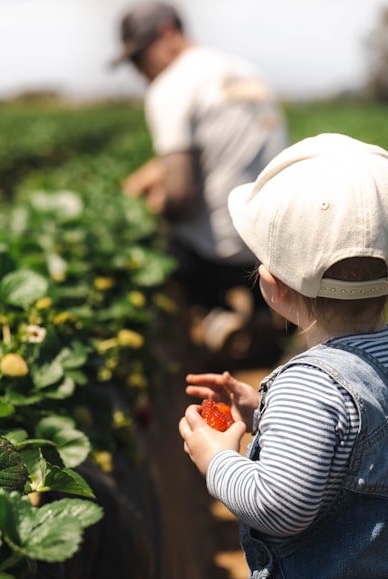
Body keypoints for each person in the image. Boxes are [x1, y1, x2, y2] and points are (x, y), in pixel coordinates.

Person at [178, 133, 388, 579]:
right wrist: (265, 413)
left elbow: (279, 507)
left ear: (272, 286)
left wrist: (217, 459)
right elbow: (359, 443)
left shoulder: (311, 385)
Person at [110, 1, 289, 366]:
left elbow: (181, 197)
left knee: (154, 239)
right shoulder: (244, 72)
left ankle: (205, 326)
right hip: (272, 243)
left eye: (139, 58)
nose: (139, 71)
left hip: (217, 254)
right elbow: (224, 150)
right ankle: (260, 317)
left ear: (166, 34)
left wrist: (151, 206)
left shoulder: (171, 86)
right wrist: (153, 172)